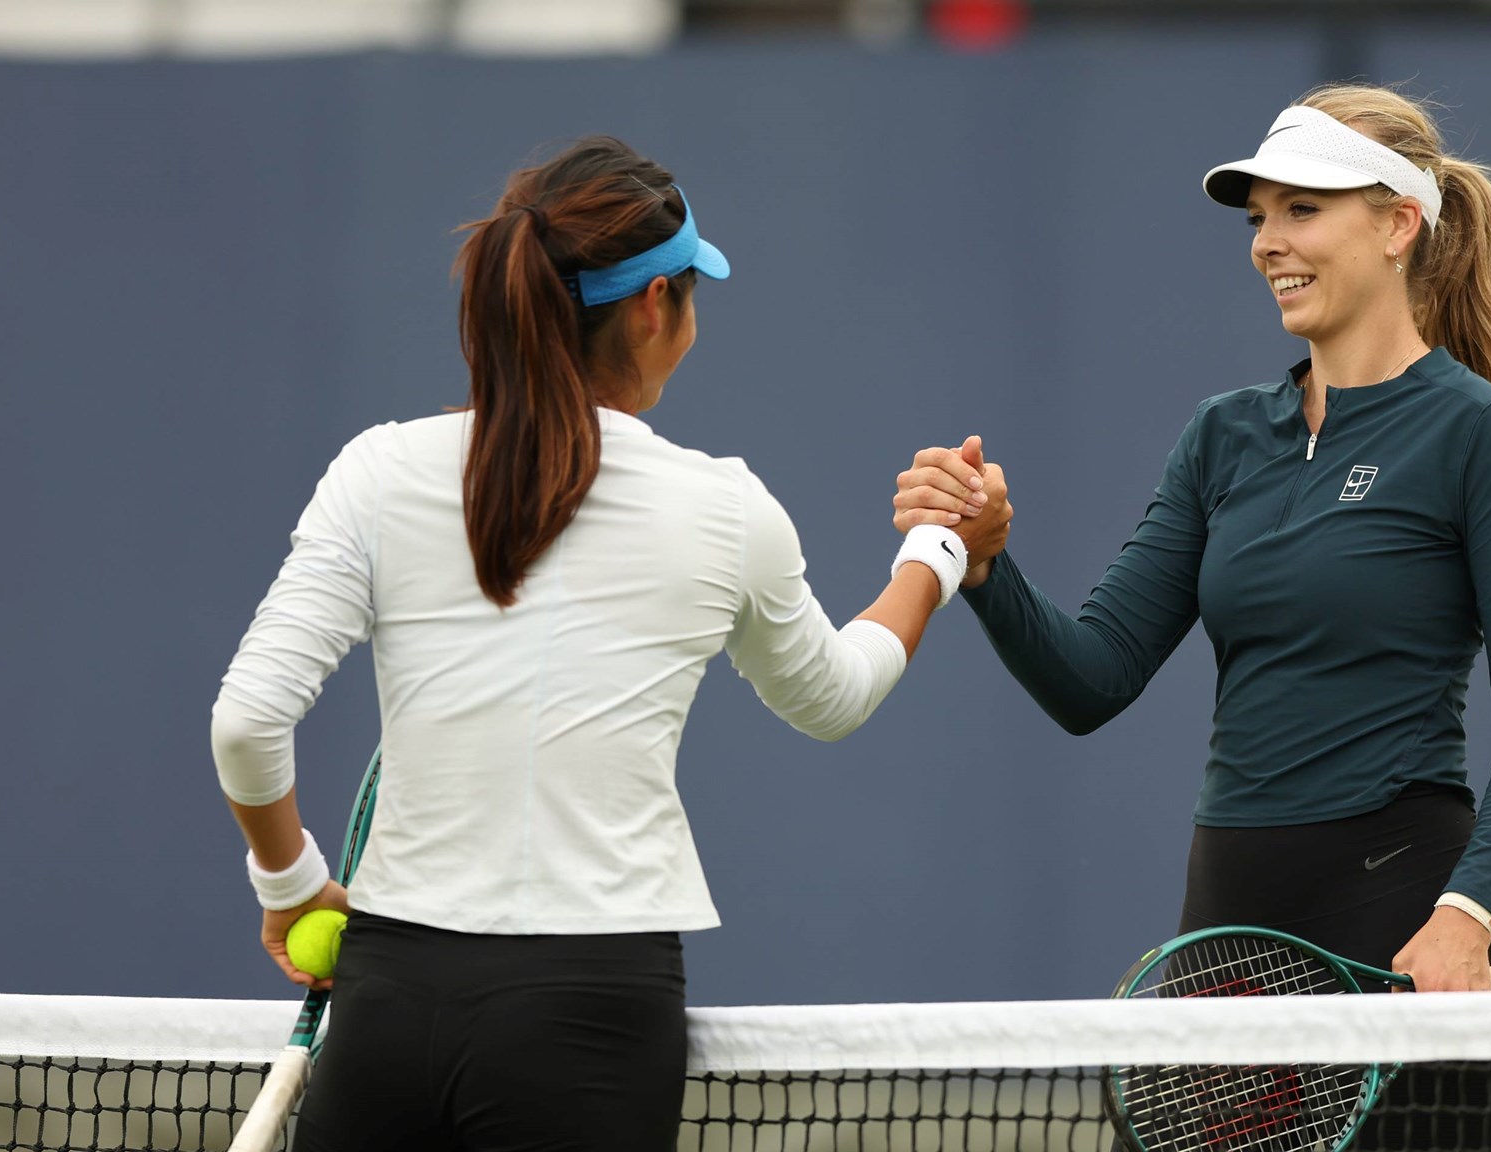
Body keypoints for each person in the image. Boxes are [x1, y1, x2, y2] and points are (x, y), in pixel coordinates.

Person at [210, 136, 1008, 1152]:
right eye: (693, 294)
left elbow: (246, 726)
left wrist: (289, 887)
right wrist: (938, 552)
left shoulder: (377, 472)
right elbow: (835, 696)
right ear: (652, 306)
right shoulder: (725, 508)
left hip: (392, 993)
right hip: (592, 1008)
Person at [894, 85, 1491, 1145]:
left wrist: (1466, 914)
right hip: (1225, 946)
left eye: (1302, 209)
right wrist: (987, 566)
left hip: (1404, 928)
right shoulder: (1221, 436)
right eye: (1260, 216)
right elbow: (1091, 678)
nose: (1268, 242)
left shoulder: (1479, 433)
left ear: (1398, 223)